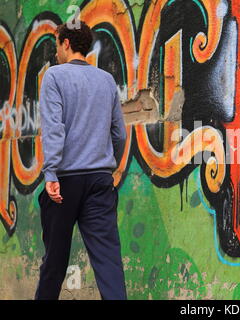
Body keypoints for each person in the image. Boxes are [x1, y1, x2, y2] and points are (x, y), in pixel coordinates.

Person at [35, 20, 128, 300]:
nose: (55, 54)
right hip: (100, 180)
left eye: (56, 47)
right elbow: (120, 134)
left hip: (65, 181)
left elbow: (53, 128)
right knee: (109, 261)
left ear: (65, 43)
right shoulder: (106, 80)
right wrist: (106, 164)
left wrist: (50, 172)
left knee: (54, 262)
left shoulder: (54, 76)